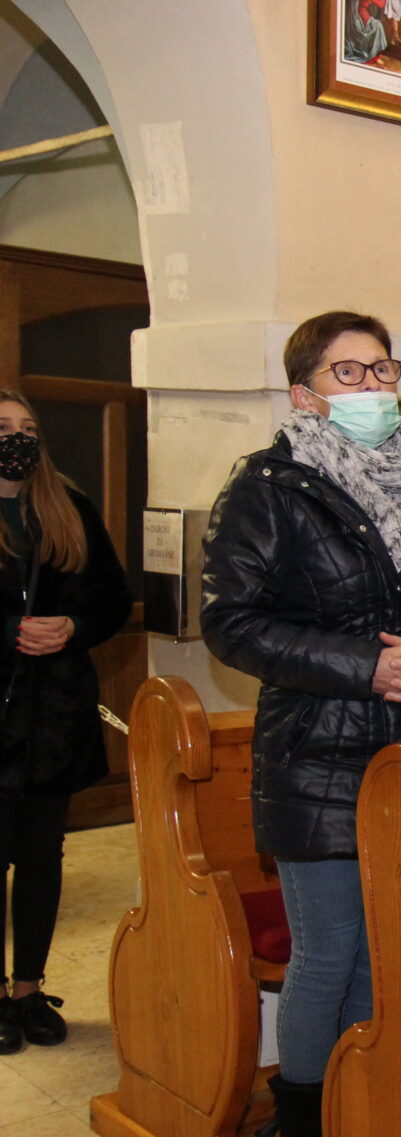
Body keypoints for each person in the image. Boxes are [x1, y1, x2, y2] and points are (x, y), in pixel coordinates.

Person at [201, 311, 401, 1137]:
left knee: (392, 954)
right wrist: (364, 665)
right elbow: (232, 624)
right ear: (305, 394)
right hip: (316, 755)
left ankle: (361, 1115)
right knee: (330, 954)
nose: (372, 387)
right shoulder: (268, 488)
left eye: (382, 369)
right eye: (349, 372)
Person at [0, 391, 131, 1056]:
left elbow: (112, 598)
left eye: (28, 428)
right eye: (3, 428)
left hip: (52, 719)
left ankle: (28, 989)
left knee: (41, 858)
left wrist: (73, 627)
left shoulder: (67, 506)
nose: (18, 438)